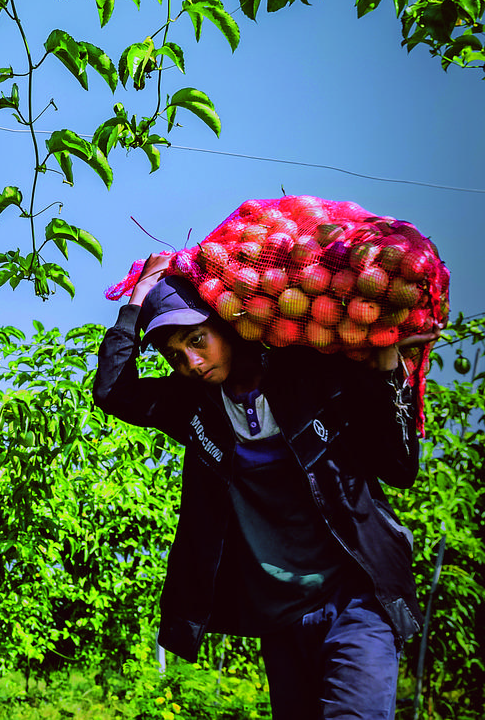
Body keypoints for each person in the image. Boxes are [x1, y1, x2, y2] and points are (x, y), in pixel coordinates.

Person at [93, 253, 433, 719]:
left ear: (227, 326)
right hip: (280, 615)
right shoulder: (195, 410)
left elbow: (399, 466)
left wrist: (388, 364)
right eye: (175, 355)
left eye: (198, 340)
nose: (191, 362)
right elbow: (114, 391)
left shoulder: (312, 376)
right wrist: (133, 305)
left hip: (357, 599)